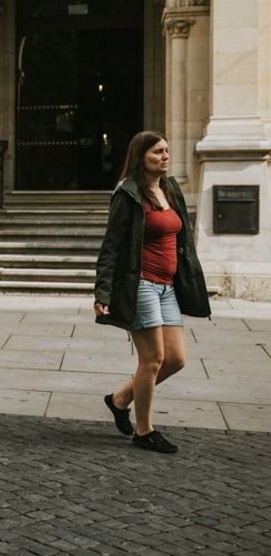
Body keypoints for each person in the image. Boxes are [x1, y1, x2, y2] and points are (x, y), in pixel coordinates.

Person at [94, 130, 210, 454]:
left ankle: (119, 400)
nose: (165, 156)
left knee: (176, 359)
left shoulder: (170, 189)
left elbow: (181, 238)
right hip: (141, 284)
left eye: (167, 150)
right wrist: (102, 293)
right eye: (158, 151)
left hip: (167, 287)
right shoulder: (128, 194)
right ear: (140, 156)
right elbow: (111, 248)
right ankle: (144, 431)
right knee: (153, 360)